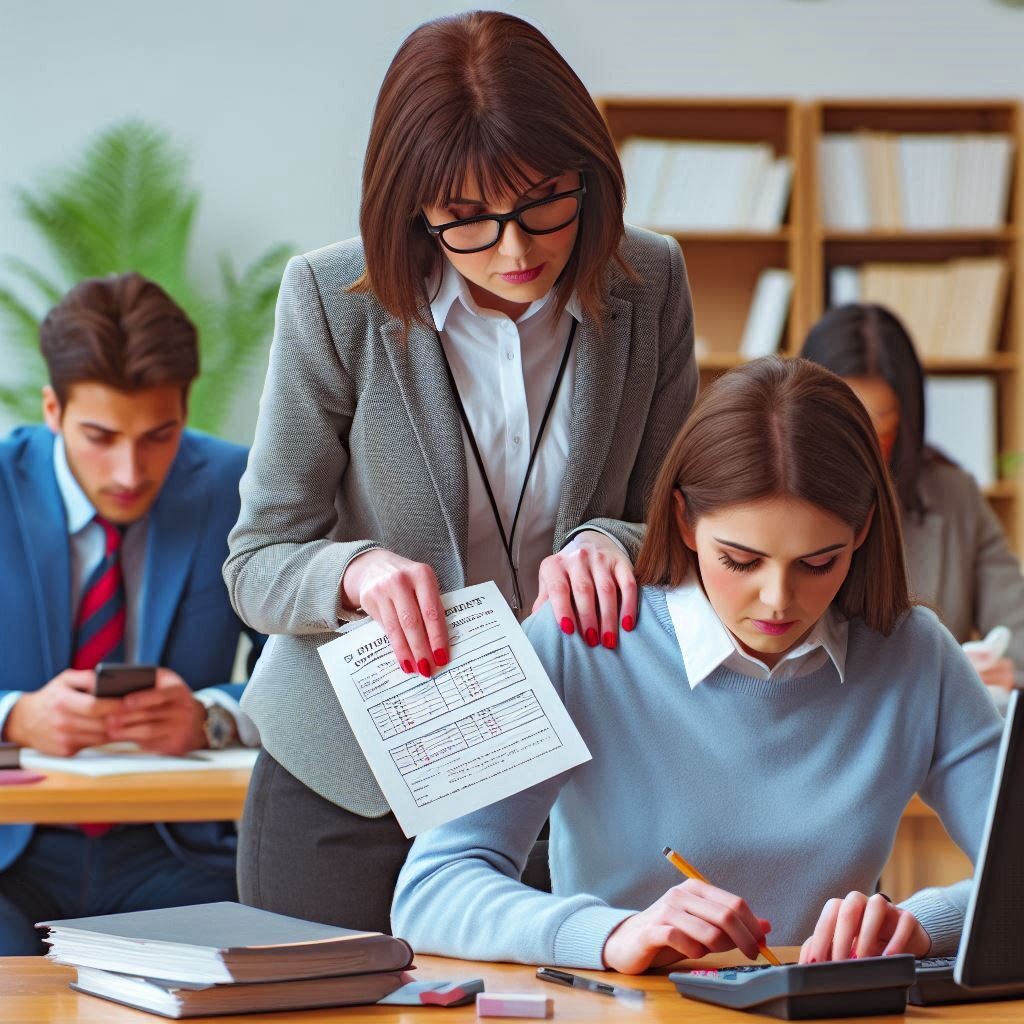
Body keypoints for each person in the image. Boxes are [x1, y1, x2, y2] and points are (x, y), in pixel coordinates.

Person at [223, 10, 697, 934]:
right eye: (468, 220)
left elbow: (680, 522)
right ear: (412, 207)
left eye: (544, 202)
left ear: (589, 176)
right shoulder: (333, 300)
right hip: (350, 779)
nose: (516, 251)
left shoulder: (652, 282)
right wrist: (353, 572)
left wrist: (611, 541)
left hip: (571, 764)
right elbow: (257, 560)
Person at [392, 357, 1002, 972]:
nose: (778, 600)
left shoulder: (914, 653)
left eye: (819, 563)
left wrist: (919, 926)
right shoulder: (580, 637)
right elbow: (433, 890)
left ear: (864, 529)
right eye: (740, 560)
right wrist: (611, 935)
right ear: (684, 520)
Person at [0, 272, 264, 955]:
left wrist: (211, 716)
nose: (128, 470)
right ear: (52, 410)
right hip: (10, 858)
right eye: (99, 436)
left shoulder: (237, 490)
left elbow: (309, 672)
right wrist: (13, 717)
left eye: (159, 435)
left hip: (178, 851)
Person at [801, 303, 1024, 691]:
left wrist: (1005, 670)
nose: (861, 449)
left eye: (879, 428)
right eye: (843, 426)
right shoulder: (770, 501)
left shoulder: (955, 498)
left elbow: (1017, 632)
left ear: (906, 422)